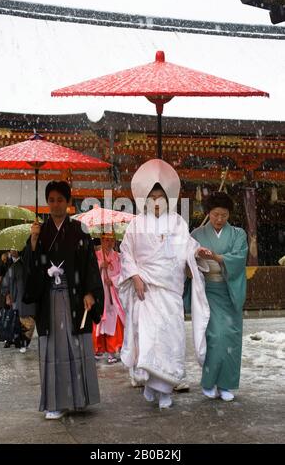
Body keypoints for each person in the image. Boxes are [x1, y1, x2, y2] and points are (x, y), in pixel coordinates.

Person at [118, 159, 210, 410]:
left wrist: (197, 252)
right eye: (152, 197)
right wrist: (135, 276)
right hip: (146, 289)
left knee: (169, 339)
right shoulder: (136, 224)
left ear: (167, 199)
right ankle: (150, 384)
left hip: (169, 292)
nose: (156, 201)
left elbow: (187, 248)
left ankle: (165, 389)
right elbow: (126, 254)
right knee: (149, 340)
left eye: (161, 197)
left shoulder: (177, 223)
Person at [23, 181, 104, 420]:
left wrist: (90, 292)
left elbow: (89, 264)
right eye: (51, 200)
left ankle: (78, 398)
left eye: (60, 200)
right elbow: (30, 267)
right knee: (53, 350)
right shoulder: (40, 230)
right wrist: (35, 242)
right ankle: (55, 402)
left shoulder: (80, 230)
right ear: (47, 202)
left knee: (75, 345)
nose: (56, 204)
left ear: (68, 203)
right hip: (50, 299)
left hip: (74, 297)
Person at [189, 192, 248, 402]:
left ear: (229, 214)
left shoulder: (238, 234)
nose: (219, 219)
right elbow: (186, 260)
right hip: (208, 291)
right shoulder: (196, 234)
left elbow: (240, 258)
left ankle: (226, 384)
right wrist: (196, 257)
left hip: (230, 290)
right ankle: (209, 381)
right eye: (215, 215)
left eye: (223, 215)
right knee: (215, 337)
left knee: (231, 337)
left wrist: (217, 257)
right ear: (208, 213)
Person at [92, 232, 125, 364]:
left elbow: (124, 274)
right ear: (101, 240)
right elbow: (90, 273)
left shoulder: (119, 257)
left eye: (111, 240)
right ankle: (98, 349)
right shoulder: (96, 256)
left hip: (113, 294)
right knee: (100, 321)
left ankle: (113, 350)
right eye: (105, 240)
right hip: (101, 294)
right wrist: (100, 268)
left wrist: (113, 280)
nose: (109, 243)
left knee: (113, 321)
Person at [3, 250, 36, 353]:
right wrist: (7, 294)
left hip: (27, 299)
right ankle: (22, 342)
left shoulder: (25, 264)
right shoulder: (17, 265)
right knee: (26, 322)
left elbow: (6, 282)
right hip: (23, 299)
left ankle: (22, 342)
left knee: (28, 323)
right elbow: (6, 282)